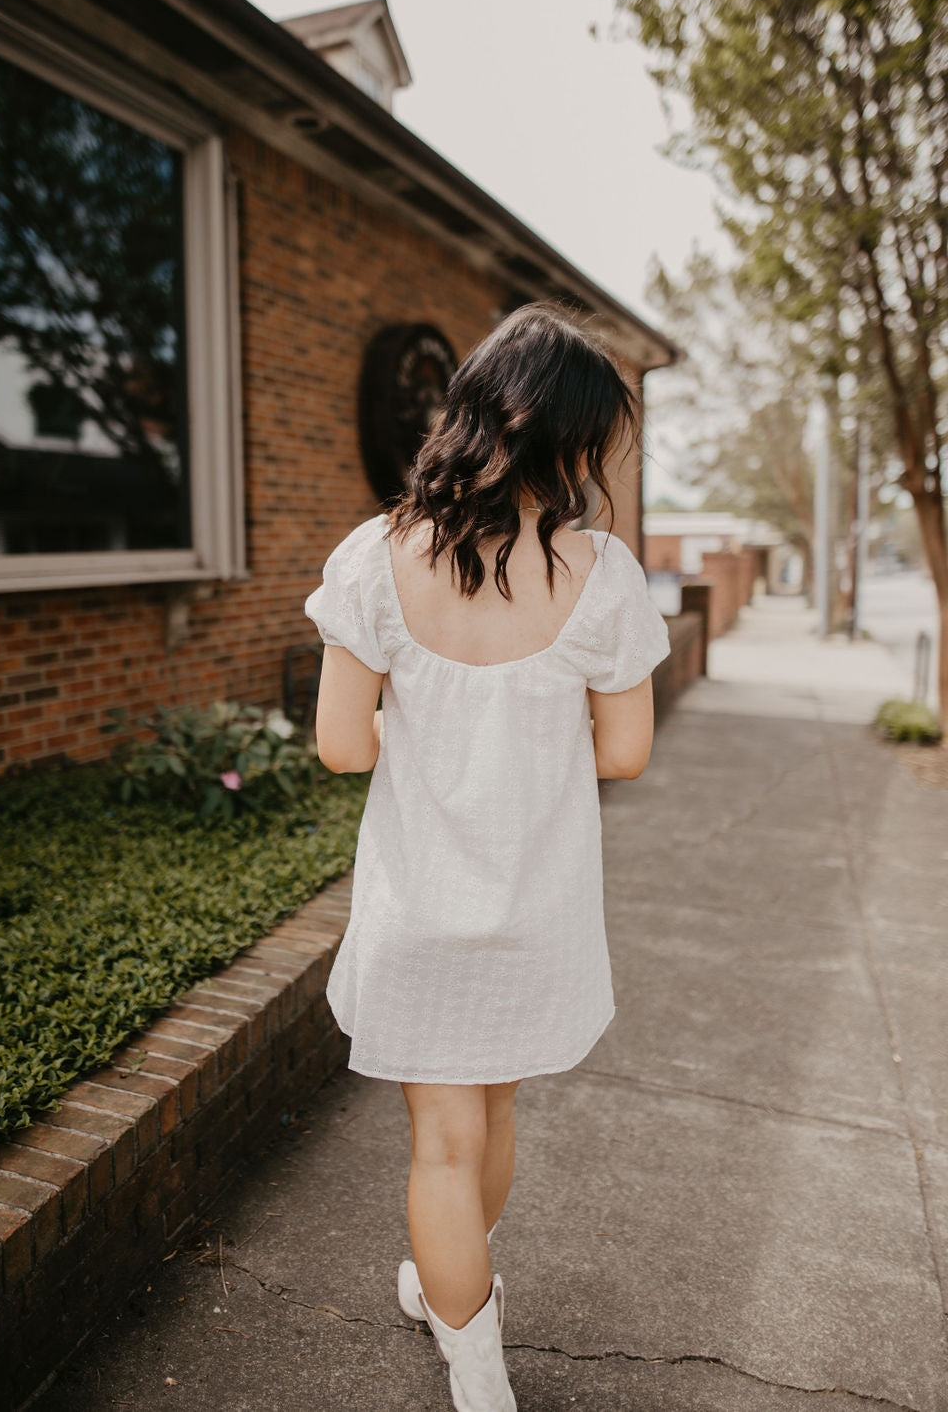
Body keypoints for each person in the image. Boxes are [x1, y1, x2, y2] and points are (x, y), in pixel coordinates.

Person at [304, 299, 672, 1412]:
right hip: (534, 905)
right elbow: (624, 755)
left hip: (419, 902)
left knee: (440, 1143)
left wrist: (425, 736)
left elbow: (335, 747)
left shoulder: (376, 556)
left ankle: (474, 1364)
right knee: (492, 1116)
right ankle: (456, 1297)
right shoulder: (599, 573)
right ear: (556, 435)